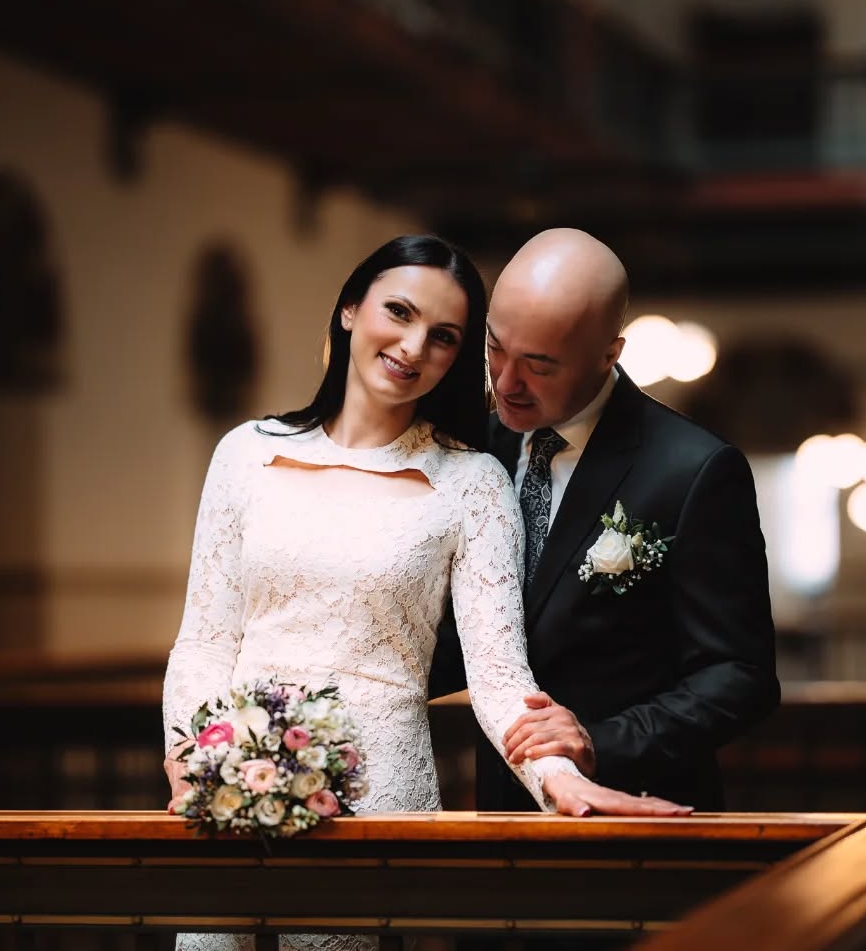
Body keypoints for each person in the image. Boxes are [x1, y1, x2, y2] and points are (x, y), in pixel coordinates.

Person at [161, 235, 689, 951]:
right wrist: (195, 753)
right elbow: (204, 638)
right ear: (350, 308)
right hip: (232, 777)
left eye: (443, 337)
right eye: (397, 313)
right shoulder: (244, 453)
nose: (412, 347)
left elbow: (498, 676)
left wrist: (558, 777)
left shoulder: (472, 484)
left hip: (377, 782)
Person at [430, 228, 780, 815]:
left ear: (609, 354)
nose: (506, 383)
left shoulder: (693, 470)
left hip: (641, 813)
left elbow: (739, 676)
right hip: (498, 808)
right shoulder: (471, 450)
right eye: (495, 348)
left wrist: (600, 741)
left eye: (539, 365)